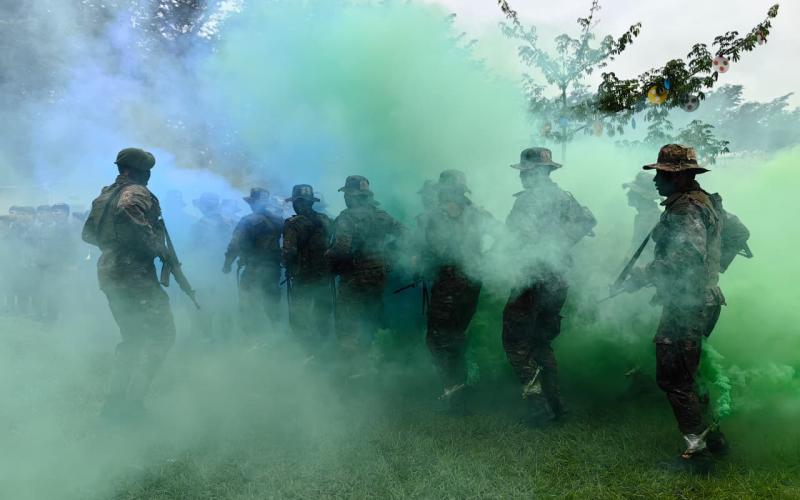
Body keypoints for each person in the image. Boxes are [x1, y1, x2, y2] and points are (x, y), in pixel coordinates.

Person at [622, 144, 728, 473]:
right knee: (689, 373)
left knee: (673, 377)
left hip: (689, 304)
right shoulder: (702, 201)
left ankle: (697, 452)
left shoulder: (685, 209)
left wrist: (643, 277)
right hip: (701, 299)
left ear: (680, 177)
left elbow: (686, 257)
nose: (656, 181)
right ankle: (714, 438)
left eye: (662, 174)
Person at [502, 147, 596, 425]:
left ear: (535, 173)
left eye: (526, 173)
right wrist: (560, 244)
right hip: (558, 279)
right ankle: (557, 405)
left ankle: (538, 407)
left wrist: (543, 247)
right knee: (541, 341)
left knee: (515, 342)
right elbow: (588, 220)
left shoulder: (528, 202)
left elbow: (517, 238)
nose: (523, 178)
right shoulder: (564, 198)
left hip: (532, 279)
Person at [82, 148, 176, 418]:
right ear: (137, 171)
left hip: (109, 271)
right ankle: (133, 405)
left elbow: (88, 234)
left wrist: (113, 244)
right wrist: (157, 247)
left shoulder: (104, 194)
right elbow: (128, 209)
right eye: (147, 172)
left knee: (132, 339)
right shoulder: (134, 192)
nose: (148, 178)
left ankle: (114, 407)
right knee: (162, 335)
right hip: (134, 274)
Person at [422, 170, 495, 414]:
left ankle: (455, 392)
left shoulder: (437, 216)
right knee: (457, 334)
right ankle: (462, 388)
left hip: (450, 283)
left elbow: (437, 252)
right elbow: (505, 236)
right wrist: (483, 261)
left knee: (437, 337)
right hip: (472, 282)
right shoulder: (478, 212)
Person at [325, 175, 404, 380]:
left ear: (352, 195)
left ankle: (353, 371)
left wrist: (328, 256)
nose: (345, 199)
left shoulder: (346, 217)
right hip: (378, 277)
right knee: (371, 319)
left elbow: (341, 248)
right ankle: (374, 363)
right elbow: (405, 233)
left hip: (353, 278)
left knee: (347, 323)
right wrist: (389, 254)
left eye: (346, 195)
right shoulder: (382, 216)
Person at [282, 184, 334, 360]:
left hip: (303, 276)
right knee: (323, 314)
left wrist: (285, 263)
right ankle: (326, 350)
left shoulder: (292, 224)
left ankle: (309, 353)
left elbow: (289, 251)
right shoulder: (326, 220)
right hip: (324, 275)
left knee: (299, 315)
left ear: (297, 202)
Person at [223, 188, 284, 338]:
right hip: (274, 268)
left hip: (253, 269)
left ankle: (254, 339)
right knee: (272, 303)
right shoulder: (279, 221)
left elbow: (234, 245)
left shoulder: (248, 221)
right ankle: (277, 336)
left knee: (248, 304)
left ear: (253, 203)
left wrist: (227, 264)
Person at [623, 171, 661, 258]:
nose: (628, 194)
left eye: (632, 192)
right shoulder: (643, 216)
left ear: (642, 197)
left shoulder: (653, 218)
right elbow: (635, 245)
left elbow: (652, 251)